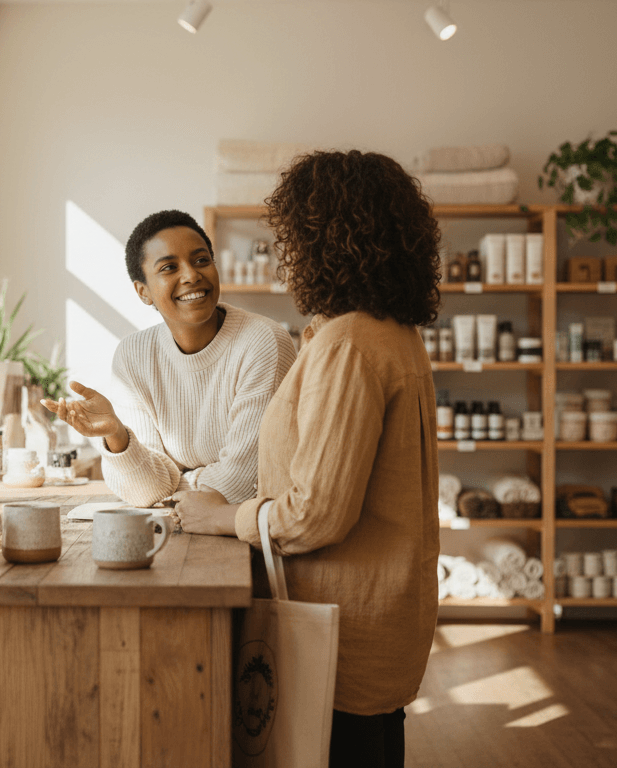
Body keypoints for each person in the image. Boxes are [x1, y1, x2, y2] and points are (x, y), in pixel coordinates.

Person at [171, 151, 442, 768]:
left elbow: (317, 513)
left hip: (345, 630)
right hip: (381, 618)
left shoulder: (350, 344)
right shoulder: (391, 331)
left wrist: (221, 516)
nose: (283, 250)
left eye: (290, 236)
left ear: (326, 240)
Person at [43, 209, 296, 507]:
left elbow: (242, 483)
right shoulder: (133, 357)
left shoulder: (263, 342)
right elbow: (146, 492)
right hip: (183, 526)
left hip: (254, 534)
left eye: (202, 260)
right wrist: (117, 435)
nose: (191, 275)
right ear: (143, 292)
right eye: (169, 268)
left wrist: (176, 482)